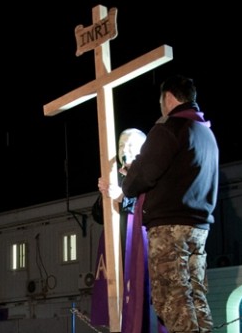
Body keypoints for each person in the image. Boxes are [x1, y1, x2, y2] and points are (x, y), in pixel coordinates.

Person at [122, 75, 218, 332]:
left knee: (171, 298)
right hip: (199, 229)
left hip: (170, 228)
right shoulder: (206, 134)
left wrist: (130, 173)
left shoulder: (170, 128)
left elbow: (141, 177)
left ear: (168, 98)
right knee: (195, 296)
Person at [94, 128, 167, 333]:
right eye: (120, 145)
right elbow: (98, 216)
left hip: (142, 251)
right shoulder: (116, 176)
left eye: (130, 145)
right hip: (117, 252)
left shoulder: (150, 174)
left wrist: (121, 198)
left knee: (143, 304)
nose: (124, 149)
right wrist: (104, 197)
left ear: (143, 149)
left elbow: (147, 205)